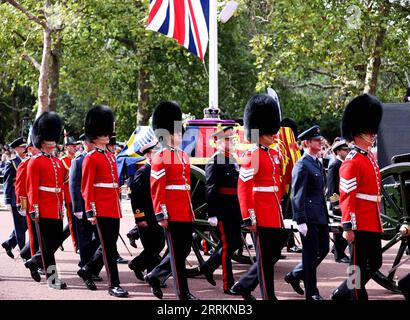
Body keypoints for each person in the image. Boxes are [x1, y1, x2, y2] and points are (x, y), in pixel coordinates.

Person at [230, 94, 286, 301]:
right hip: (260, 214)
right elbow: (244, 188)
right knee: (265, 260)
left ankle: (244, 286)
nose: (274, 134)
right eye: (270, 130)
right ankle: (268, 296)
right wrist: (249, 217)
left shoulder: (271, 154)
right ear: (260, 131)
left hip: (273, 212)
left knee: (271, 256)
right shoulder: (253, 154)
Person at [331, 94, 384, 301]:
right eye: (369, 131)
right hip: (359, 222)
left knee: (375, 263)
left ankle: (343, 293)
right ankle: (354, 295)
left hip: (372, 221)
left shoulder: (368, 158)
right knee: (357, 269)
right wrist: (348, 226)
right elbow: (346, 196)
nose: (373, 134)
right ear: (358, 132)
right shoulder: (352, 161)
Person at [149, 100, 197, 300]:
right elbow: (157, 187)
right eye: (177, 133)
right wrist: (161, 213)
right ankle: (183, 293)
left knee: (184, 250)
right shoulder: (160, 156)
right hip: (172, 212)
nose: (180, 136)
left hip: (184, 210)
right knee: (178, 254)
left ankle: (155, 274)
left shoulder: (183, 156)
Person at [81, 105, 128, 297]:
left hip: (113, 207)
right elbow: (87, 187)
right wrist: (90, 211)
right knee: (109, 249)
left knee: (109, 244)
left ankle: (87, 269)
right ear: (95, 135)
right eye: (103, 133)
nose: (108, 136)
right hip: (100, 208)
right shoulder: (91, 158)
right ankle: (113, 285)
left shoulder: (109, 156)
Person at [284, 125, 329, 300]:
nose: (320, 142)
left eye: (319, 139)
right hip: (309, 217)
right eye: (316, 140)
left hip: (320, 215)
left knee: (324, 249)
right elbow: (297, 194)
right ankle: (312, 293)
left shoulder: (317, 162)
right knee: (310, 255)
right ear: (307, 143)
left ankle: (295, 275)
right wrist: (300, 219)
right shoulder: (302, 164)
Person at [24, 112, 66, 289]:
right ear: (41, 142)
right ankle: (53, 280)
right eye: (48, 140)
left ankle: (34, 260)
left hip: (55, 207)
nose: (52, 143)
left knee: (55, 241)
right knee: (48, 246)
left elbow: (61, 185)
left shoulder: (57, 162)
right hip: (42, 207)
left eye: (53, 140)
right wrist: (33, 208)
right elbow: (32, 187)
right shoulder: (35, 162)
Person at [199, 126, 243, 294]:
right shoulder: (215, 160)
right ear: (217, 142)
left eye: (232, 139)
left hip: (234, 208)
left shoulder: (231, 159)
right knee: (227, 246)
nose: (231, 142)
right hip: (223, 209)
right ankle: (228, 284)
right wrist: (212, 213)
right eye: (227, 139)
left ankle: (208, 266)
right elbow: (210, 188)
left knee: (235, 243)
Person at [128, 140, 166, 281]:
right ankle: (149, 273)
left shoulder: (157, 170)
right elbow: (136, 198)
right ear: (148, 155)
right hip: (146, 215)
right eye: (155, 152)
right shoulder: (142, 172)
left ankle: (139, 266)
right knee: (152, 246)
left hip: (156, 214)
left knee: (158, 244)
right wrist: (140, 218)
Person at [70, 133, 103, 291]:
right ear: (84, 143)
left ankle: (91, 266)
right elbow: (74, 185)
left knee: (98, 238)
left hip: (96, 206)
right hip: (82, 207)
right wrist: (77, 208)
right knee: (84, 240)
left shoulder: (97, 157)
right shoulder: (79, 159)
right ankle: (86, 266)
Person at [1, 137, 28, 258]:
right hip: (15, 197)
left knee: (27, 224)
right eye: (22, 147)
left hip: (27, 196)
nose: (24, 148)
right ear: (16, 148)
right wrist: (7, 200)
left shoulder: (28, 160)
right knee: (20, 226)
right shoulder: (11, 162)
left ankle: (9, 243)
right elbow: (7, 182)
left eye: (24, 146)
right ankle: (24, 253)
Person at [15, 138, 41, 261]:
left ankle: (27, 254)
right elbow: (20, 186)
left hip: (43, 202)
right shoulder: (25, 163)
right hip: (31, 204)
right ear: (30, 149)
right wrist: (22, 204)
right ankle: (33, 258)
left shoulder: (42, 161)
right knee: (34, 235)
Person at [327, 139, 350, 263]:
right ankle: (339, 255)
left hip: (343, 202)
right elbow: (331, 187)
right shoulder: (335, 165)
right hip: (338, 203)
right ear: (338, 151)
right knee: (339, 230)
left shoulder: (342, 163)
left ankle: (337, 250)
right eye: (345, 150)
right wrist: (336, 204)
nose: (347, 151)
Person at [60, 134, 79, 252]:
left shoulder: (76, 159)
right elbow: (61, 181)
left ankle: (58, 239)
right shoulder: (64, 160)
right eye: (72, 146)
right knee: (72, 222)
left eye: (75, 146)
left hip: (78, 195)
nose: (74, 148)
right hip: (68, 196)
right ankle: (76, 245)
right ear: (66, 147)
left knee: (78, 221)